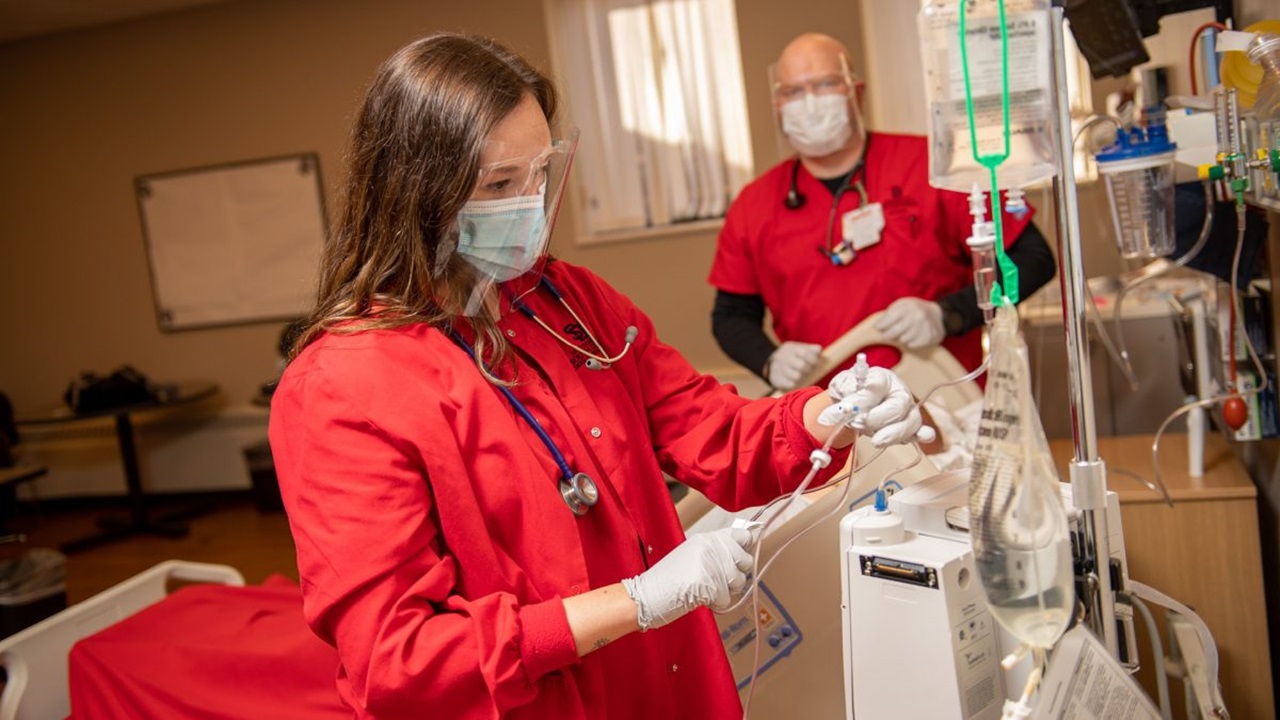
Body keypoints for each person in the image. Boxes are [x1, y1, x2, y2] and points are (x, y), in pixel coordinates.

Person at [269, 32, 927, 719]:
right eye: (499, 185)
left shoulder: (565, 300)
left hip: (673, 685)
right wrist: (634, 603)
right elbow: (396, 660)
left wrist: (833, 414)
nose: (531, 204)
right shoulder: (343, 388)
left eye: (540, 174)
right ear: (416, 194)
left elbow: (708, 426)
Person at [709, 33, 1058, 392]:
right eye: (793, 92)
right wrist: (769, 359)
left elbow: (1033, 259)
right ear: (777, 104)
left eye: (825, 84)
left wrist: (949, 313)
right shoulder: (755, 204)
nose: (808, 102)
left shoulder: (932, 166)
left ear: (856, 91)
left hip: (940, 399)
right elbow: (731, 316)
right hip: (823, 413)